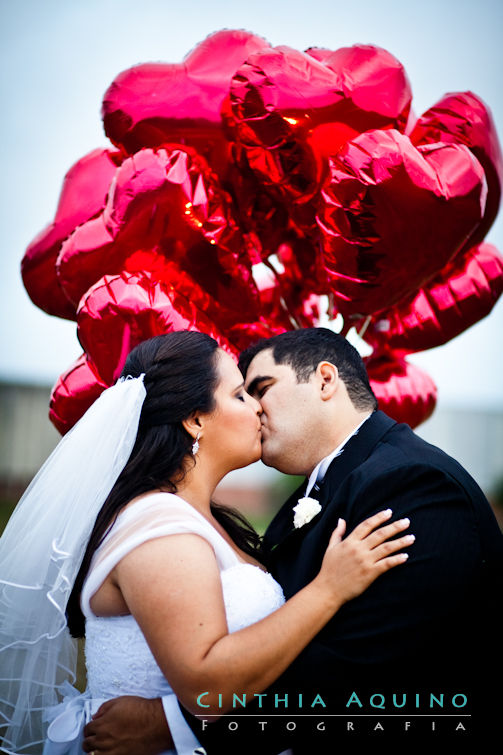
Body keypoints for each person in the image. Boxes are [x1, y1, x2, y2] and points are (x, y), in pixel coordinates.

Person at [85, 327, 503, 752]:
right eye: (240, 396)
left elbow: (363, 663)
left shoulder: (414, 483)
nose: (255, 410)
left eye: (261, 388)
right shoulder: (307, 498)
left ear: (324, 380)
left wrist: (174, 723)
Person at [0, 330, 412, 755]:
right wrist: (329, 590)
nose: (257, 407)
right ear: (195, 419)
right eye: (239, 395)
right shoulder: (158, 526)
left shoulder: (202, 520)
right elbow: (206, 686)